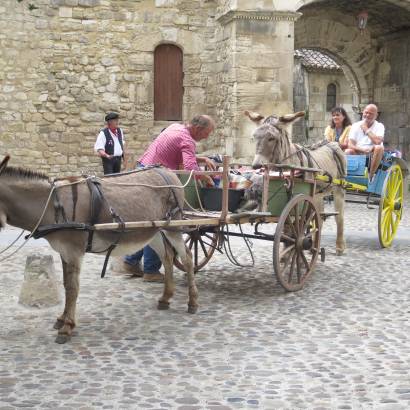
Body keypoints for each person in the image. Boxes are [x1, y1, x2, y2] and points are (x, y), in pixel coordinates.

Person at [124, 115, 216, 282]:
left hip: (143, 169)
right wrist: (206, 178)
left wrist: (201, 158)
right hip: (155, 178)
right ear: (197, 128)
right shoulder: (188, 140)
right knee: (161, 222)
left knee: (148, 222)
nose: (206, 137)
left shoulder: (175, 127)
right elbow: (190, 169)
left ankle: (131, 261)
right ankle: (151, 270)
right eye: (207, 133)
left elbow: (176, 153)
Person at [345, 104, 385, 181]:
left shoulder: (380, 126)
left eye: (371, 113)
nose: (367, 115)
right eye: (366, 112)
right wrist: (363, 150)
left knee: (379, 147)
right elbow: (350, 144)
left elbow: (377, 142)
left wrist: (366, 130)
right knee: (348, 151)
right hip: (358, 152)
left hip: (373, 154)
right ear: (363, 112)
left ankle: (371, 176)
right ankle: (349, 176)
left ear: (376, 115)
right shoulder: (355, 125)